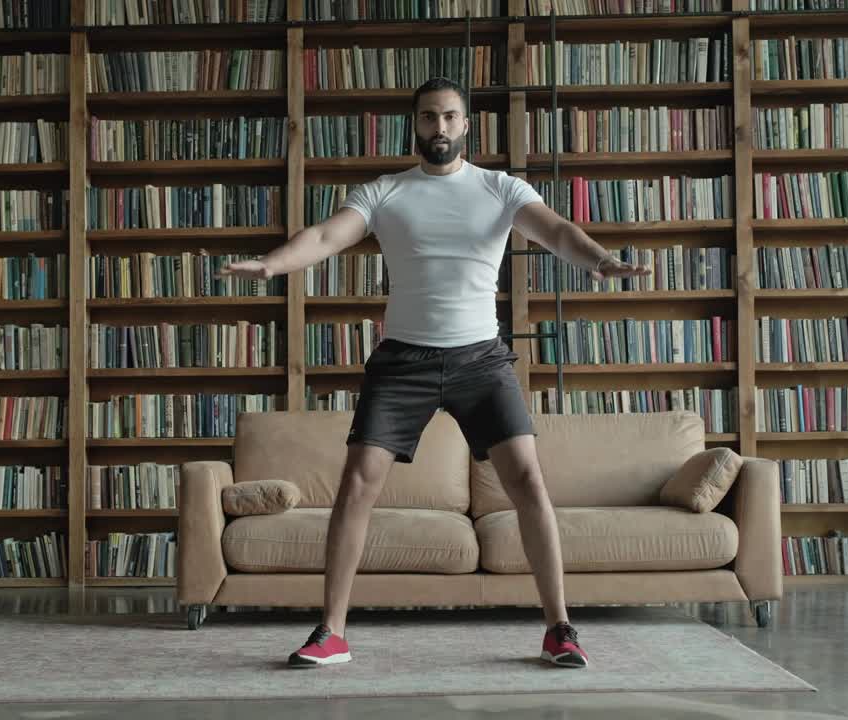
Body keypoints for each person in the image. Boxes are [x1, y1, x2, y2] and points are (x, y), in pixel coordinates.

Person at [219, 76, 649, 669]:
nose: (439, 128)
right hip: (403, 362)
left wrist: (597, 258)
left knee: (527, 480)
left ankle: (560, 629)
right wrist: (272, 265)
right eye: (428, 118)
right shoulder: (387, 192)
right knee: (356, 484)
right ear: (415, 124)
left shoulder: (500, 188)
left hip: (481, 359)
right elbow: (325, 235)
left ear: (466, 125)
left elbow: (553, 229)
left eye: (449, 117)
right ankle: (331, 632)